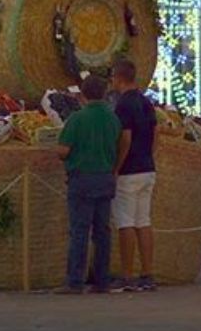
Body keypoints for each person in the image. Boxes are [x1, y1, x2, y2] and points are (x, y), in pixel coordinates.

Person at [55, 74, 119, 295]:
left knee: (80, 231)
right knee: (102, 232)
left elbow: (63, 151)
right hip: (105, 177)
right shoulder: (112, 119)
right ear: (103, 93)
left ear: (83, 94)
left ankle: (75, 281)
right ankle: (101, 280)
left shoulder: (77, 119)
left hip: (81, 179)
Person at [108, 58, 157, 293]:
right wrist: (149, 155)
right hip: (148, 167)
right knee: (144, 222)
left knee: (125, 223)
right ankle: (147, 273)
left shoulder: (123, 105)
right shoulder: (146, 102)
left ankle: (127, 274)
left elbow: (125, 138)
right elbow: (155, 134)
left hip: (129, 171)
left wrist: (117, 166)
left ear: (118, 78)